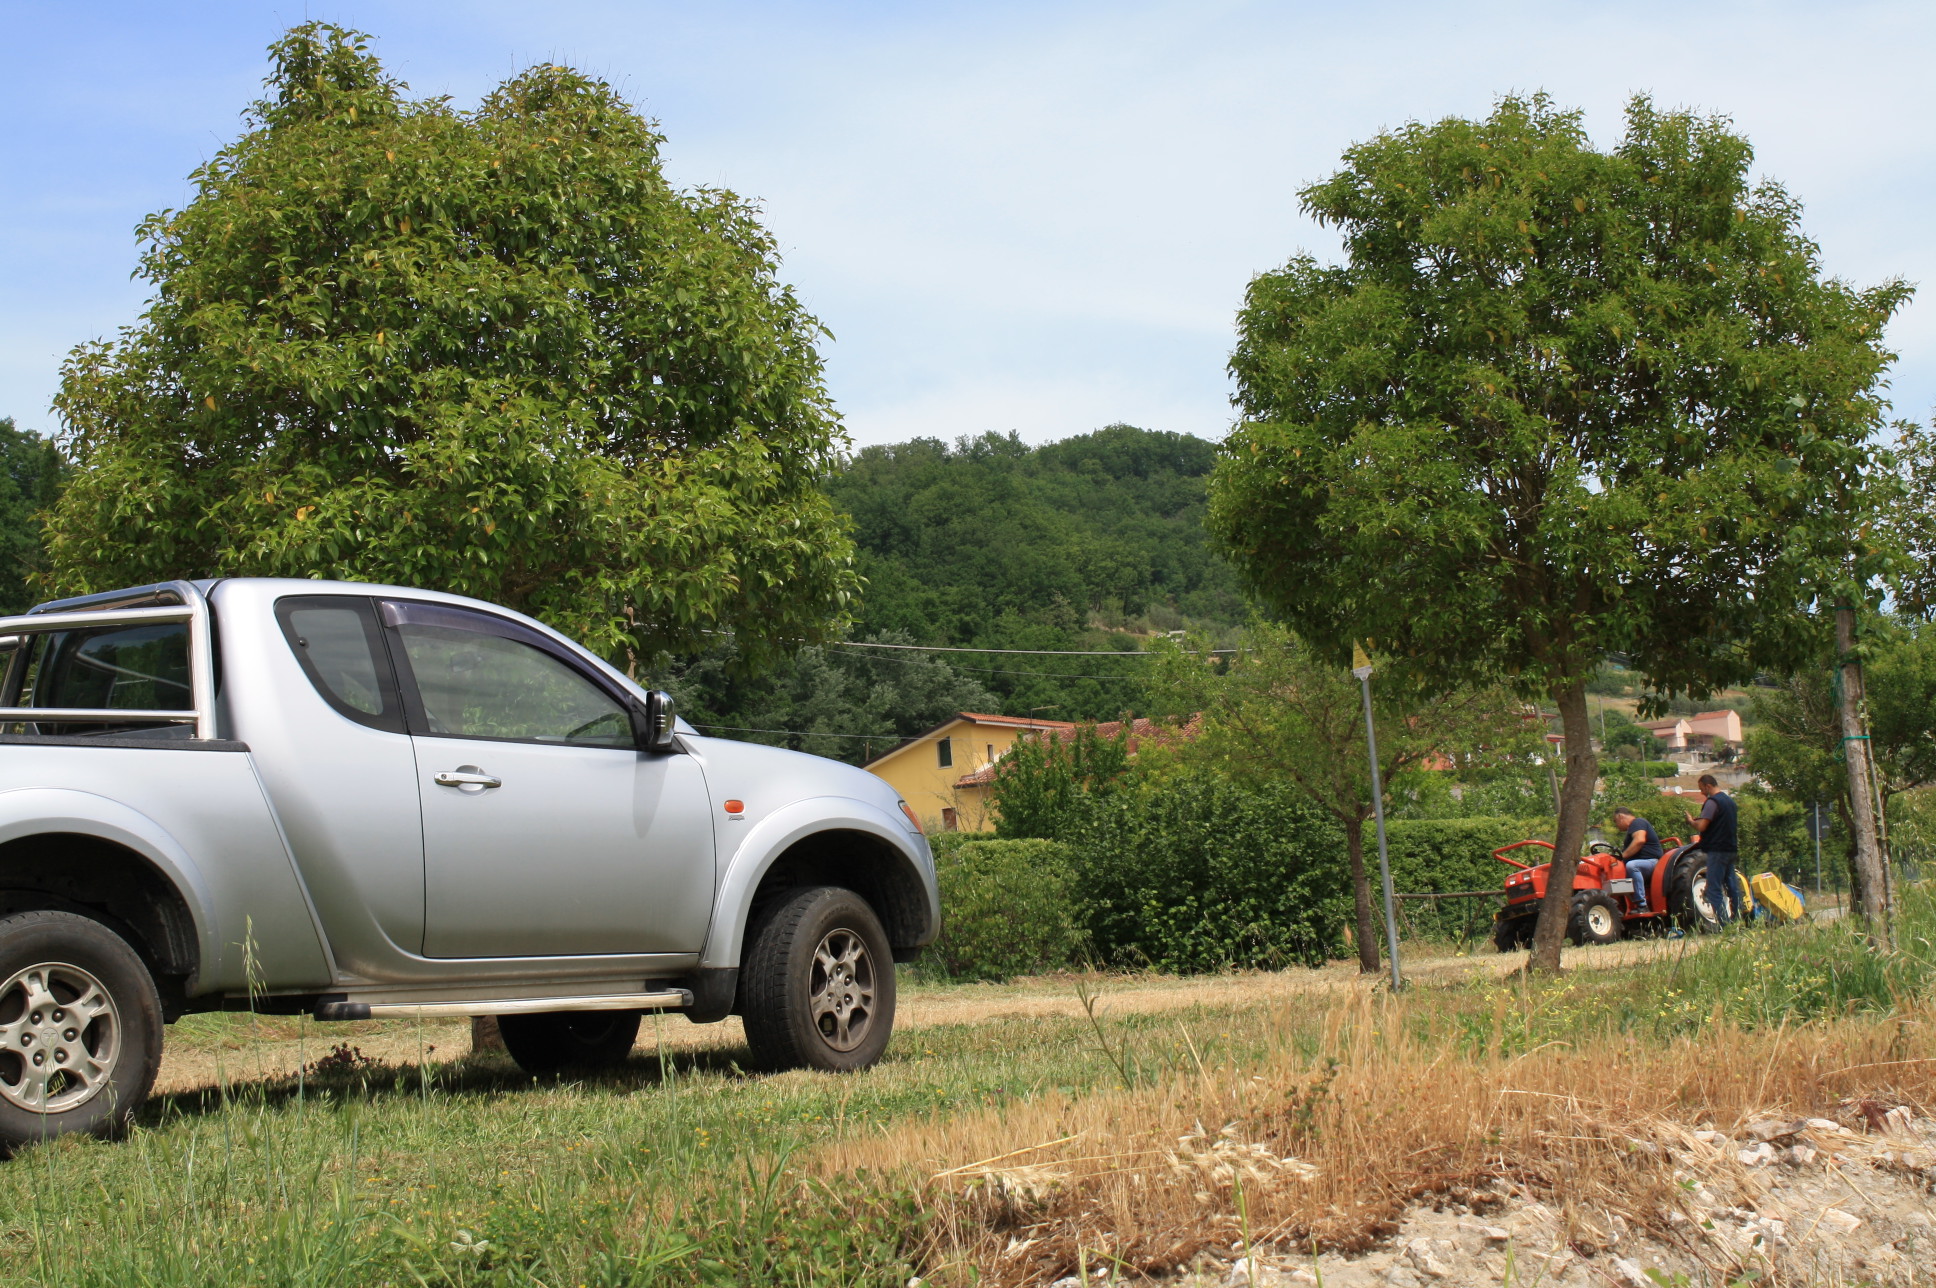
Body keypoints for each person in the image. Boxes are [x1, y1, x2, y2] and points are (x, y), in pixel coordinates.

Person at [1685, 773, 1740, 926]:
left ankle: (1723, 924)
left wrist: (1691, 821)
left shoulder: (1712, 802)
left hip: (1717, 850)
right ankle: (1738, 919)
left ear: (1708, 786)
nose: (1702, 792)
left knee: (1713, 889)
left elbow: (1702, 826)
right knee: (1732, 887)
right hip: (1731, 849)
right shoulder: (1730, 802)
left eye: (1701, 789)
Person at [1608, 806, 1663, 911]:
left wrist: (1621, 857)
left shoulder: (1637, 822)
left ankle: (1641, 904)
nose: (1616, 825)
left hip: (1651, 862)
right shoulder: (1631, 830)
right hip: (1644, 863)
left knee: (1632, 866)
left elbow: (1639, 840)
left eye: (1616, 821)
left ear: (1620, 816)